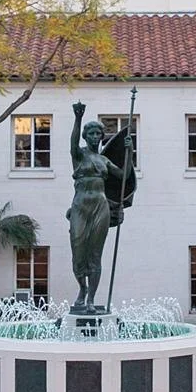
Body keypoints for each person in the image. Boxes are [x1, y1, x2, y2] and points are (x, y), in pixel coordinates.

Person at [66, 101, 121, 313]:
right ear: (86, 137)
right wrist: (78, 119)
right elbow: (72, 143)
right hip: (80, 207)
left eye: (98, 134)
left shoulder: (104, 161)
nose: (95, 137)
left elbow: (125, 177)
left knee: (95, 255)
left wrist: (129, 149)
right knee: (78, 252)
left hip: (100, 207)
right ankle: (82, 288)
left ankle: (91, 299)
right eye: (91, 134)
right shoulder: (78, 155)